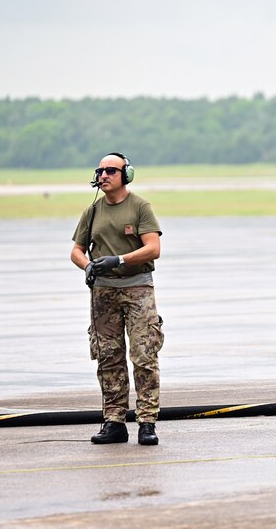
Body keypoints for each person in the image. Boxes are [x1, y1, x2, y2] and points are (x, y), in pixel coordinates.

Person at [70, 152, 164, 445]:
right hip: (103, 293)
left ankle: (147, 422)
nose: (104, 175)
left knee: (143, 355)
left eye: (111, 170)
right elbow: (76, 250)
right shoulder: (93, 212)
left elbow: (153, 248)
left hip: (137, 290)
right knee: (107, 357)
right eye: (100, 170)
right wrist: (88, 266)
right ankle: (114, 421)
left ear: (127, 175)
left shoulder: (140, 207)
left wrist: (119, 260)